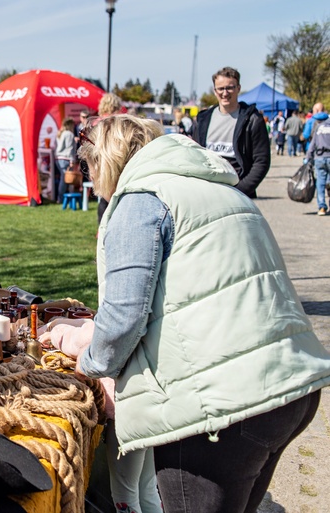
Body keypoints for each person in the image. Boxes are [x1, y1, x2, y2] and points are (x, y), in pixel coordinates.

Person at [74, 114, 330, 513]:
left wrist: (89, 364)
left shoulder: (142, 199)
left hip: (223, 406)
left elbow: (124, 315)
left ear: (104, 161)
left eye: (90, 168)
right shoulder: (220, 191)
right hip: (288, 388)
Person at [42, 319, 162, 513]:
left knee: (125, 495)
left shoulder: (119, 321)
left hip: (127, 412)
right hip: (149, 404)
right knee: (147, 487)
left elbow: (87, 338)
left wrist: (54, 331)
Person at [194, 67, 270, 198]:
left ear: (238, 88)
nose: (225, 93)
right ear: (215, 90)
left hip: (238, 193)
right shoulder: (203, 119)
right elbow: (193, 154)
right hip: (206, 193)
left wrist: (240, 190)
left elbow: (261, 161)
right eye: (220, 89)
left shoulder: (252, 119)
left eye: (230, 88)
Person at [95, 93, 123, 223]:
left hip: (98, 163)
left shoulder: (96, 122)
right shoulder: (117, 122)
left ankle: (101, 227)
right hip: (115, 161)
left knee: (104, 197)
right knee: (115, 197)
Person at [305, 110, 330, 216]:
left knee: (320, 183)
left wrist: (307, 158)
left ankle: (322, 207)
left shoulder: (318, 129)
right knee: (328, 182)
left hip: (319, 158)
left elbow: (312, 145)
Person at [55, 117, 77, 203]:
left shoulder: (60, 133)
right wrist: (72, 160)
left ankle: (63, 198)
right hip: (66, 158)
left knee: (63, 178)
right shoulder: (69, 134)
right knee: (67, 179)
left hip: (58, 159)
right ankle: (62, 198)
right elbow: (69, 149)